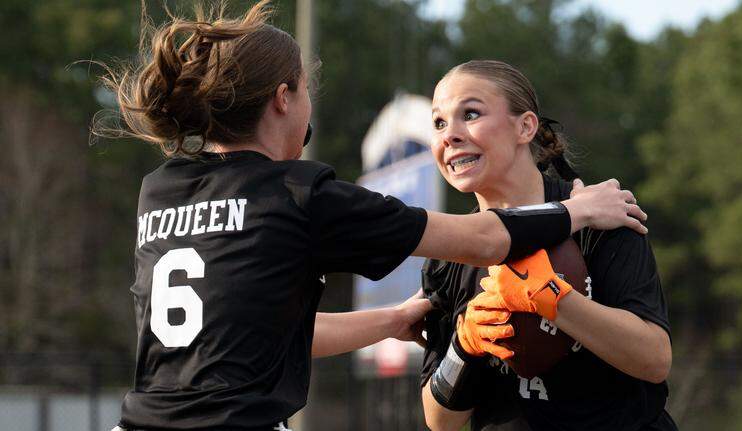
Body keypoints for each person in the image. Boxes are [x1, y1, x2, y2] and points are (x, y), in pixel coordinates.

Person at [97, 3, 648, 430]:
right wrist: (576, 211)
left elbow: (259, 332)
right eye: (308, 90)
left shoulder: (160, 190)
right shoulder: (297, 192)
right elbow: (481, 241)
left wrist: (391, 320)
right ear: (284, 98)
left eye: (470, 114)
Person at [421, 60, 676, 431]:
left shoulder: (601, 217)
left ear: (525, 127)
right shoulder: (449, 256)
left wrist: (553, 298)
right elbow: (439, 420)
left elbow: (654, 359)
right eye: (439, 123)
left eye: (471, 114)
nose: (450, 135)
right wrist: (464, 345)